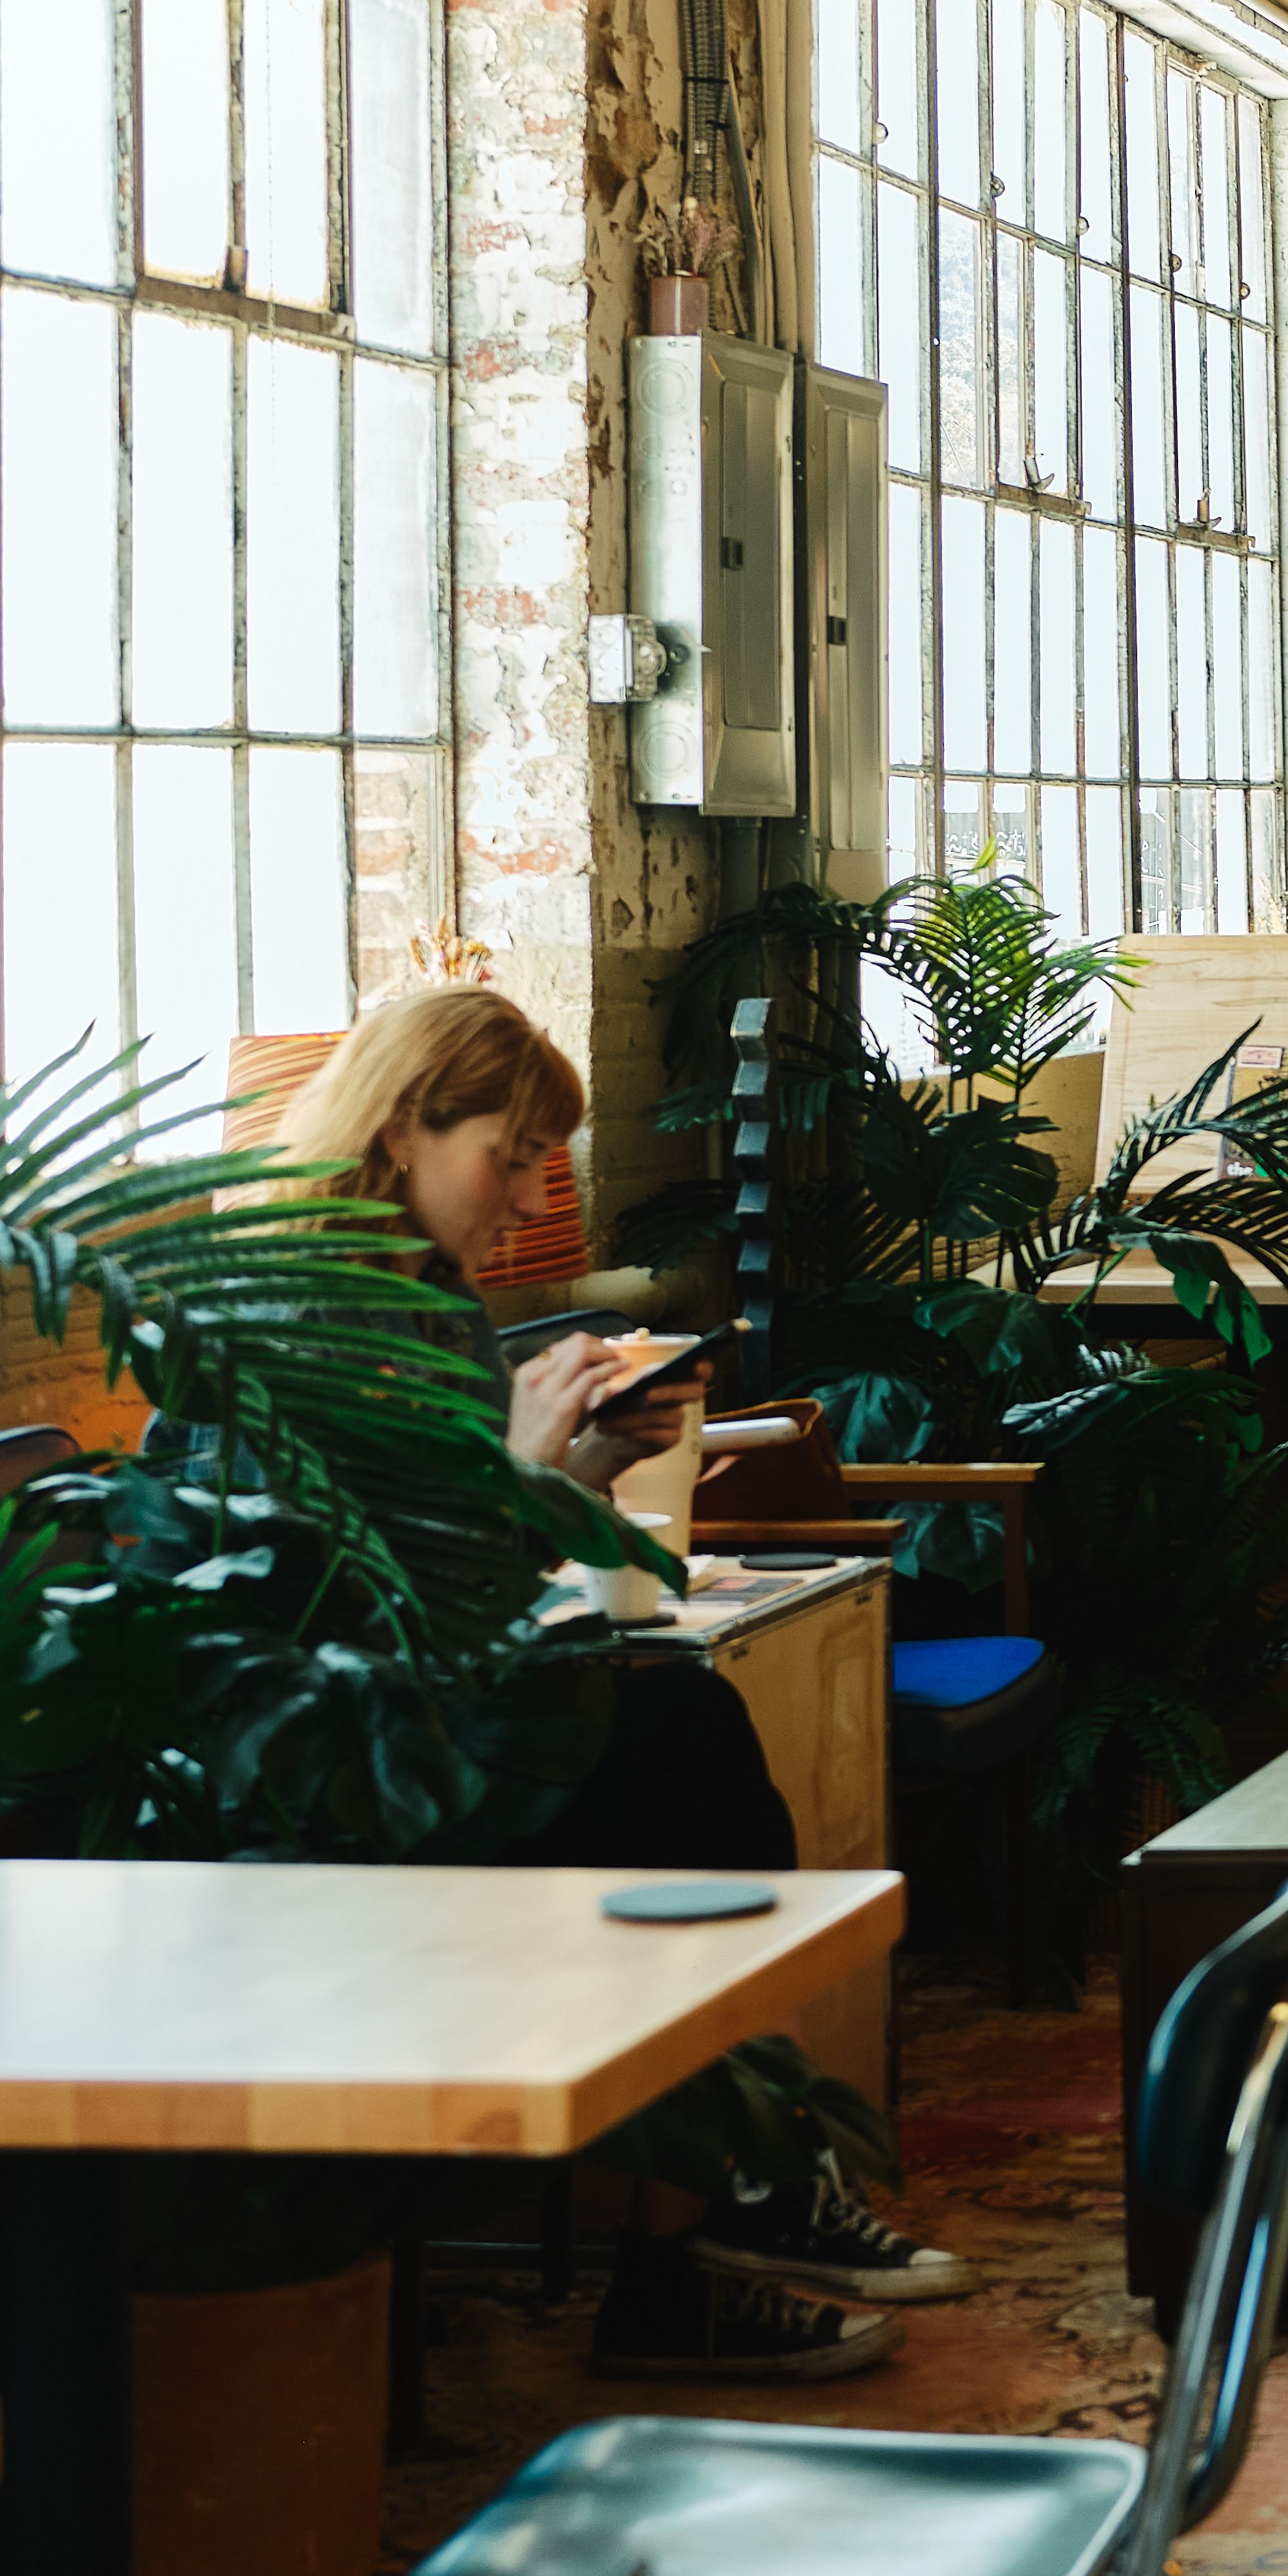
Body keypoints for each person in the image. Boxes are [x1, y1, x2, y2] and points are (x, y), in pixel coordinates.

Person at [274, 987, 975, 2380]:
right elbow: (342, 1605)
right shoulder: (298, 1305)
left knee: (674, 1725)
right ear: (406, 1124)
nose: (534, 1191)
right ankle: (712, 2232)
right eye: (513, 1152)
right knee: (675, 1742)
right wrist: (533, 1469)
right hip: (333, 1773)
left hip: (416, 1721)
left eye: (549, 1160)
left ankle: (714, 2227)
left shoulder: (414, 1292)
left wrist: (587, 1467)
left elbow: (453, 1572)